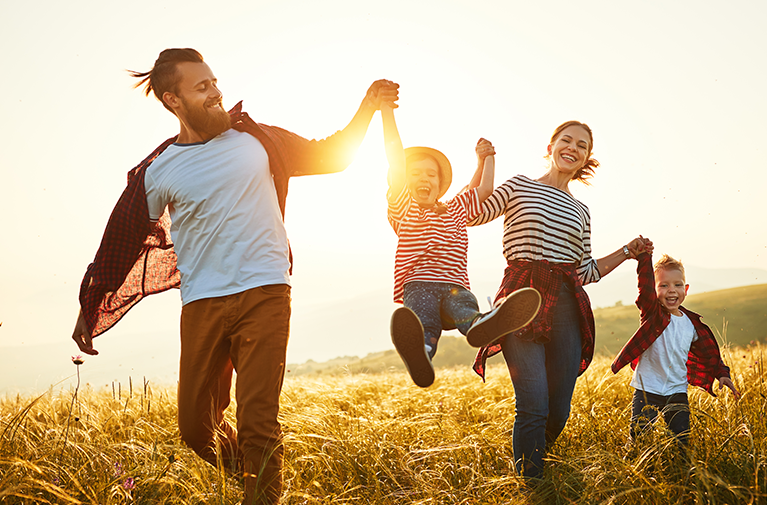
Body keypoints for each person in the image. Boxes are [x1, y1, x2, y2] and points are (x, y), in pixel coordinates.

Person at [71, 48, 398, 505]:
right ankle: (254, 476)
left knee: (258, 420)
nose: (216, 92)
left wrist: (367, 105)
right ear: (173, 100)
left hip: (264, 292)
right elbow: (122, 241)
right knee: (194, 428)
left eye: (214, 82)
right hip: (202, 302)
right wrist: (91, 305)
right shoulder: (160, 169)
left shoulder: (258, 139)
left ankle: (261, 491)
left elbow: (332, 156)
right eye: (201, 87)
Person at [469, 121, 651, 481]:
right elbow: (475, 213)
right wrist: (483, 162)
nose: (573, 148)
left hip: (567, 304)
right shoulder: (519, 186)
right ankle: (532, 484)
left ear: (586, 158)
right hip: (522, 300)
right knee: (533, 403)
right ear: (551, 145)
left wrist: (628, 251)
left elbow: (585, 271)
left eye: (581, 146)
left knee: (558, 410)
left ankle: (537, 458)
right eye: (566, 140)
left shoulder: (581, 211)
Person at [381, 104, 541, 388]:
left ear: (440, 183)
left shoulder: (456, 209)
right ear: (403, 183)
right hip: (419, 285)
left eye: (431, 175)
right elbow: (394, 159)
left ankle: (483, 326)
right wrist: (386, 112)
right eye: (415, 174)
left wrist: (487, 158)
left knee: (465, 309)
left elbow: (483, 190)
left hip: (456, 286)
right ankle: (422, 356)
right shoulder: (404, 208)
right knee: (423, 324)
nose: (424, 178)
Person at [611, 252, 741, 446]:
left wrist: (722, 373)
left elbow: (709, 354)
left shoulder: (692, 324)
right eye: (663, 285)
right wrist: (644, 257)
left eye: (677, 285)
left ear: (686, 289)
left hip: (677, 390)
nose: (671, 290)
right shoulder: (652, 314)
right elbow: (644, 286)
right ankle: (634, 468)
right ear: (654, 290)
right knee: (639, 439)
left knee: (681, 441)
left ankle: (681, 472)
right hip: (647, 388)